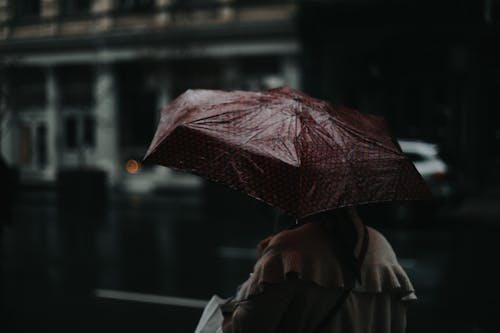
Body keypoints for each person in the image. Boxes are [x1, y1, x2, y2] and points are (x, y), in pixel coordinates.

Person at [221, 207, 416, 333]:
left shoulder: (291, 246)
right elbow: (397, 325)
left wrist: (261, 272)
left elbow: (247, 327)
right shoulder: (381, 246)